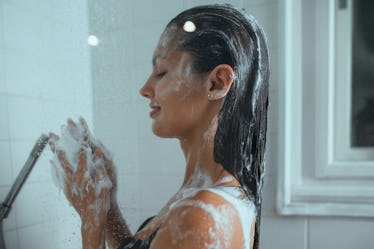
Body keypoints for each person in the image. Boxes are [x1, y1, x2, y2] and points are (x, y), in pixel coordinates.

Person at [49, 4, 269, 249]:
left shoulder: (201, 215)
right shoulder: (201, 195)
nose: (144, 88)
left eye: (162, 72)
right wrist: (107, 208)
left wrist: (91, 222)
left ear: (216, 83)